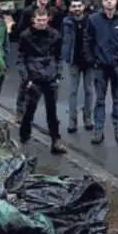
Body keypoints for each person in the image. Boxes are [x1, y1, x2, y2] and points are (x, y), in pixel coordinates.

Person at [84, 0, 118, 144]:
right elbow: (87, 41)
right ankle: (98, 131)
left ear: (116, 1)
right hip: (100, 67)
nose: (109, 2)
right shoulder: (93, 20)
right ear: (102, 3)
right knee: (100, 100)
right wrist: (92, 60)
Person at [16, 9, 67, 154]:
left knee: (52, 112)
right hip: (34, 78)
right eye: (39, 20)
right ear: (33, 20)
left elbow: (58, 58)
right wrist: (27, 79)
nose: (42, 23)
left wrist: (58, 75)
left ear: (48, 19)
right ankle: (24, 138)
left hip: (50, 77)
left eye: (44, 20)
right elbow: (21, 59)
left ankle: (55, 140)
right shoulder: (25, 36)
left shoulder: (55, 35)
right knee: (29, 111)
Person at [61, 0, 94, 133]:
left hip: (89, 61)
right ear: (70, 8)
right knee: (73, 91)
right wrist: (65, 56)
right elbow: (63, 39)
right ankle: (72, 120)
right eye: (74, 6)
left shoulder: (91, 21)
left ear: (83, 7)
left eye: (79, 6)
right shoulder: (66, 22)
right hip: (74, 60)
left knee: (89, 90)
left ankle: (88, 118)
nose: (77, 9)